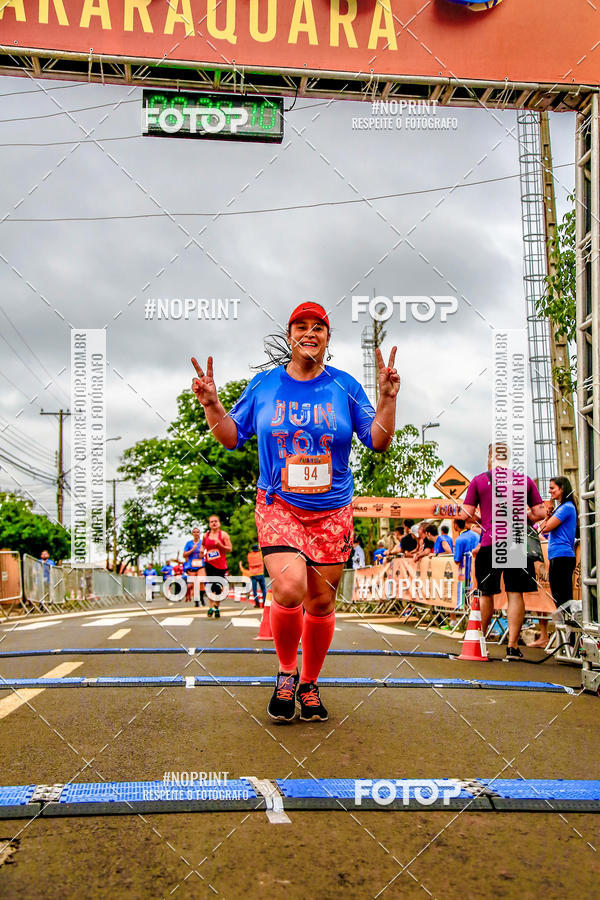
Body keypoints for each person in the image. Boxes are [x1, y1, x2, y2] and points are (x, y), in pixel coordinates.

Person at [191, 300, 399, 722]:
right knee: (289, 589)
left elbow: (377, 440)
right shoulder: (265, 385)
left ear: (327, 338)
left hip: (332, 509)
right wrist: (212, 405)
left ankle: (309, 684)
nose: (310, 333)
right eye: (301, 326)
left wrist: (388, 399)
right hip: (278, 504)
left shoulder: (344, 386)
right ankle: (287, 674)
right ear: (289, 336)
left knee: (321, 602)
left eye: (318, 327)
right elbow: (231, 437)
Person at [460, 443, 546, 659]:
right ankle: (512, 646)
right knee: (515, 593)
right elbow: (540, 512)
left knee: (487, 593)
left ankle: (479, 641)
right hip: (516, 541)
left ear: (490, 457)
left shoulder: (479, 480)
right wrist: (521, 518)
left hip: (491, 541)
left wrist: (482, 519)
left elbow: (465, 514)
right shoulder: (523, 480)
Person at [531, 476, 578, 648]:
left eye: (553, 488)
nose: (550, 491)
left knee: (563, 598)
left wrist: (547, 517)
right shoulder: (562, 509)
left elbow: (544, 528)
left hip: (563, 556)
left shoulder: (566, 508)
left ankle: (572, 639)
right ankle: (568, 638)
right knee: (559, 598)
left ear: (562, 489)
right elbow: (544, 530)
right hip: (557, 556)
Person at [202, 514, 232, 619]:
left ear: (219, 523)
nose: (214, 523)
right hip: (209, 563)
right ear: (209, 524)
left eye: (215, 521)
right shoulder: (206, 535)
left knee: (217, 587)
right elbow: (203, 545)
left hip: (220, 565)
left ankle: (217, 607)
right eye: (211, 522)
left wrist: (221, 545)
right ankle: (211, 607)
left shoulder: (223, 535)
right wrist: (202, 551)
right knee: (211, 585)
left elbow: (230, 549)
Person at [453, 519, 480, 609]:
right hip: (478, 569)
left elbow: (457, 559)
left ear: (456, 525)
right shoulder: (476, 535)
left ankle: (466, 614)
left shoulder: (460, 539)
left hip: (466, 573)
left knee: (466, 596)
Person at [183, 527, 205, 607]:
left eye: (197, 532)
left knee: (201, 580)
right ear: (192, 534)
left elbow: (203, 553)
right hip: (191, 565)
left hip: (200, 564)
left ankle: (202, 597)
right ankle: (196, 600)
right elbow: (184, 554)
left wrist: (202, 554)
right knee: (194, 583)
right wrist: (192, 549)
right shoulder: (189, 543)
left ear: (199, 533)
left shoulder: (202, 543)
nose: (196, 533)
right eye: (194, 532)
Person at [242, 544, 267, 608]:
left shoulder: (249, 555)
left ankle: (257, 603)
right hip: (260, 573)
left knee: (254, 590)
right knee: (263, 589)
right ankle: (264, 603)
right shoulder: (260, 554)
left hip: (253, 574)